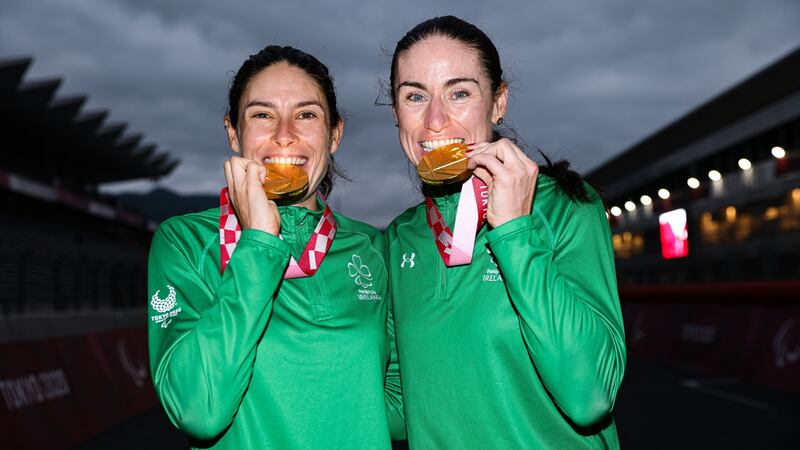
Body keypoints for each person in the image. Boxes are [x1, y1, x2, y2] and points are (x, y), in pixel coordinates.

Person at [383, 16, 626, 448]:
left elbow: (590, 396)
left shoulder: (565, 207)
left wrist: (515, 231)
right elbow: (406, 404)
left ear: (498, 102)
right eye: (415, 96)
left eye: (459, 93)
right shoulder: (399, 238)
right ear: (397, 113)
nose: (435, 119)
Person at [147, 45, 404, 449]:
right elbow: (198, 411)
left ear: (334, 134)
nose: (285, 134)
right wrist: (259, 244)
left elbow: (398, 405)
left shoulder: (370, 245)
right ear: (234, 132)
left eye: (306, 115)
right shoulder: (184, 242)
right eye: (263, 115)